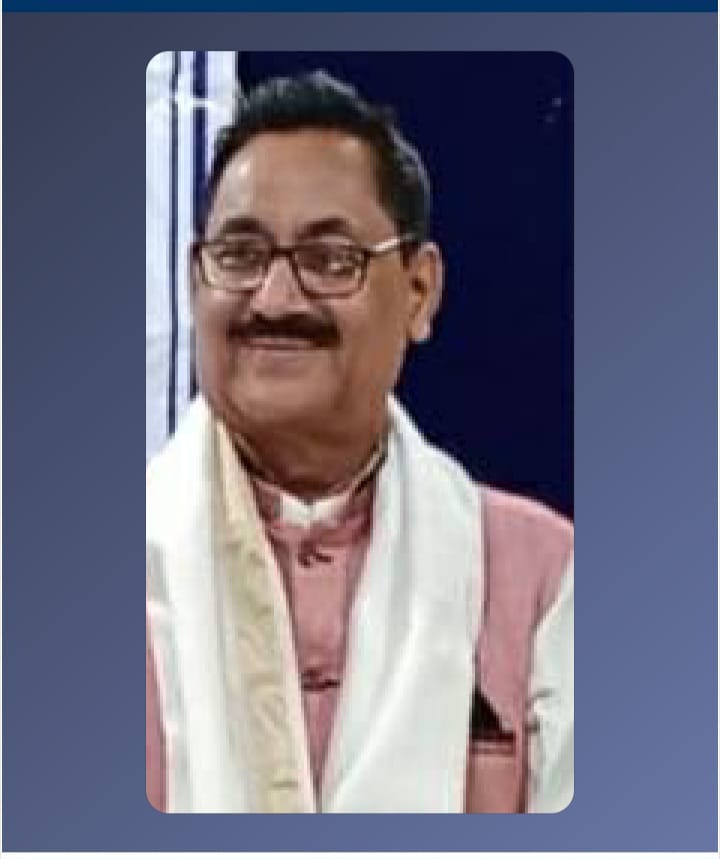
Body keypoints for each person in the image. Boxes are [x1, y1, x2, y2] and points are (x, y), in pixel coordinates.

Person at [146, 71, 574, 814]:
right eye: (240, 254)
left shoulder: (542, 580)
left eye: (330, 259)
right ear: (193, 281)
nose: (275, 299)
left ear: (419, 291)